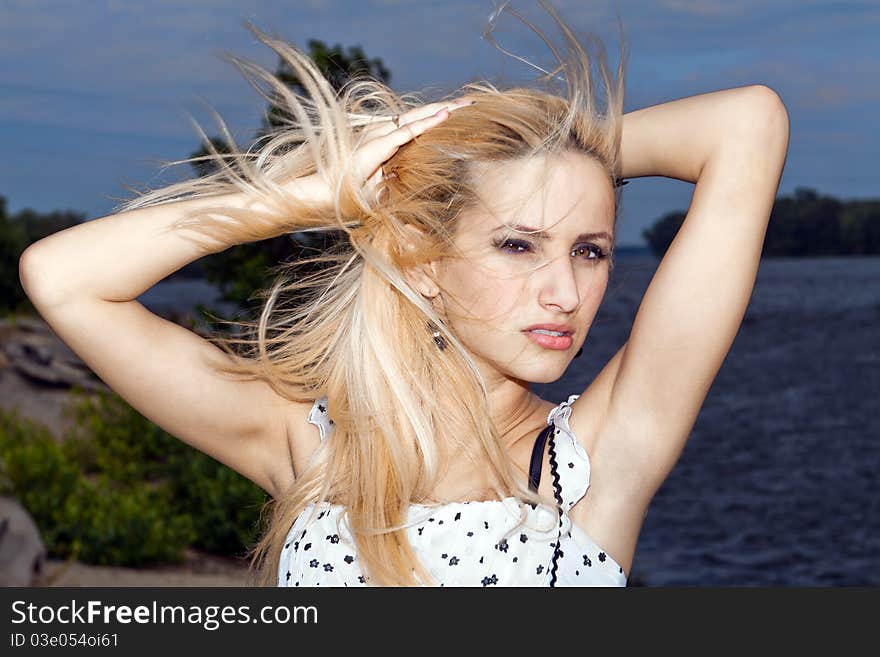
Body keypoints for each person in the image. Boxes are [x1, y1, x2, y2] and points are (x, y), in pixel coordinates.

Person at [18, 2, 789, 587]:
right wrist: (304, 199)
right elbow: (64, 280)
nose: (565, 292)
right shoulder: (312, 449)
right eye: (518, 244)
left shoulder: (594, 460)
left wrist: (529, 152)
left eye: (589, 250)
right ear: (421, 261)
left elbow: (747, 126)